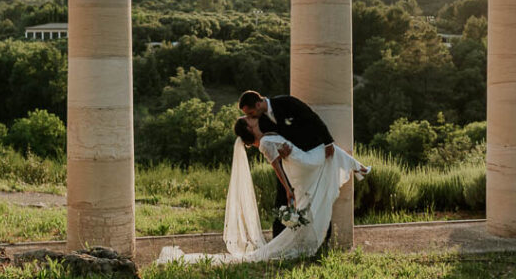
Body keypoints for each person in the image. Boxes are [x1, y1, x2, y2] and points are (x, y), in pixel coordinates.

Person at [155, 116, 370, 265]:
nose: (252, 118)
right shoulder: (265, 142)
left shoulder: (267, 136)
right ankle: (359, 167)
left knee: (330, 154)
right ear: (249, 129)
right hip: (301, 161)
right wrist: (288, 190)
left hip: (297, 157)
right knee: (328, 154)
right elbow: (277, 168)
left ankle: (358, 167)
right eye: (248, 120)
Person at [237, 90, 335, 237]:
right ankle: (279, 241)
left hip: (306, 156)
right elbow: (264, 143)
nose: (250, 116)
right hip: (286, 164)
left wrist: (328, 142)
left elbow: (311, 118)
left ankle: (323, 239)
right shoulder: (261, 121)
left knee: (314, 197)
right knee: (282, 201)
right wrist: (280, 151)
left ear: (258, 104)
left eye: (251, 112)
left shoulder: (287, 102)